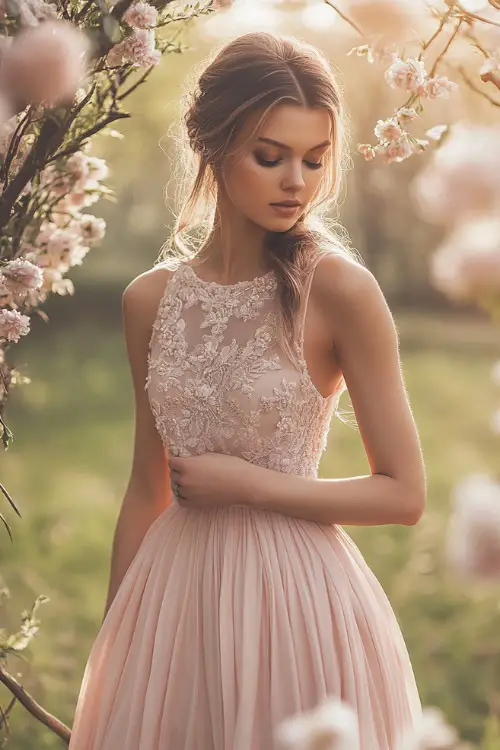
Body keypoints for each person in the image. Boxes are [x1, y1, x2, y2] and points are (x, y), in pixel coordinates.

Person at [69, 31, 425, 750]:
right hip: (175, 603)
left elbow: (404, 494)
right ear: (212, 144)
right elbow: (146, 488)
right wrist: (116, 648)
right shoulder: (150, 299)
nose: (296, 181)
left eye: (314, 160)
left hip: (296, 604)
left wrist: (250, 486)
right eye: (271, 156)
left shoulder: (339, 290)